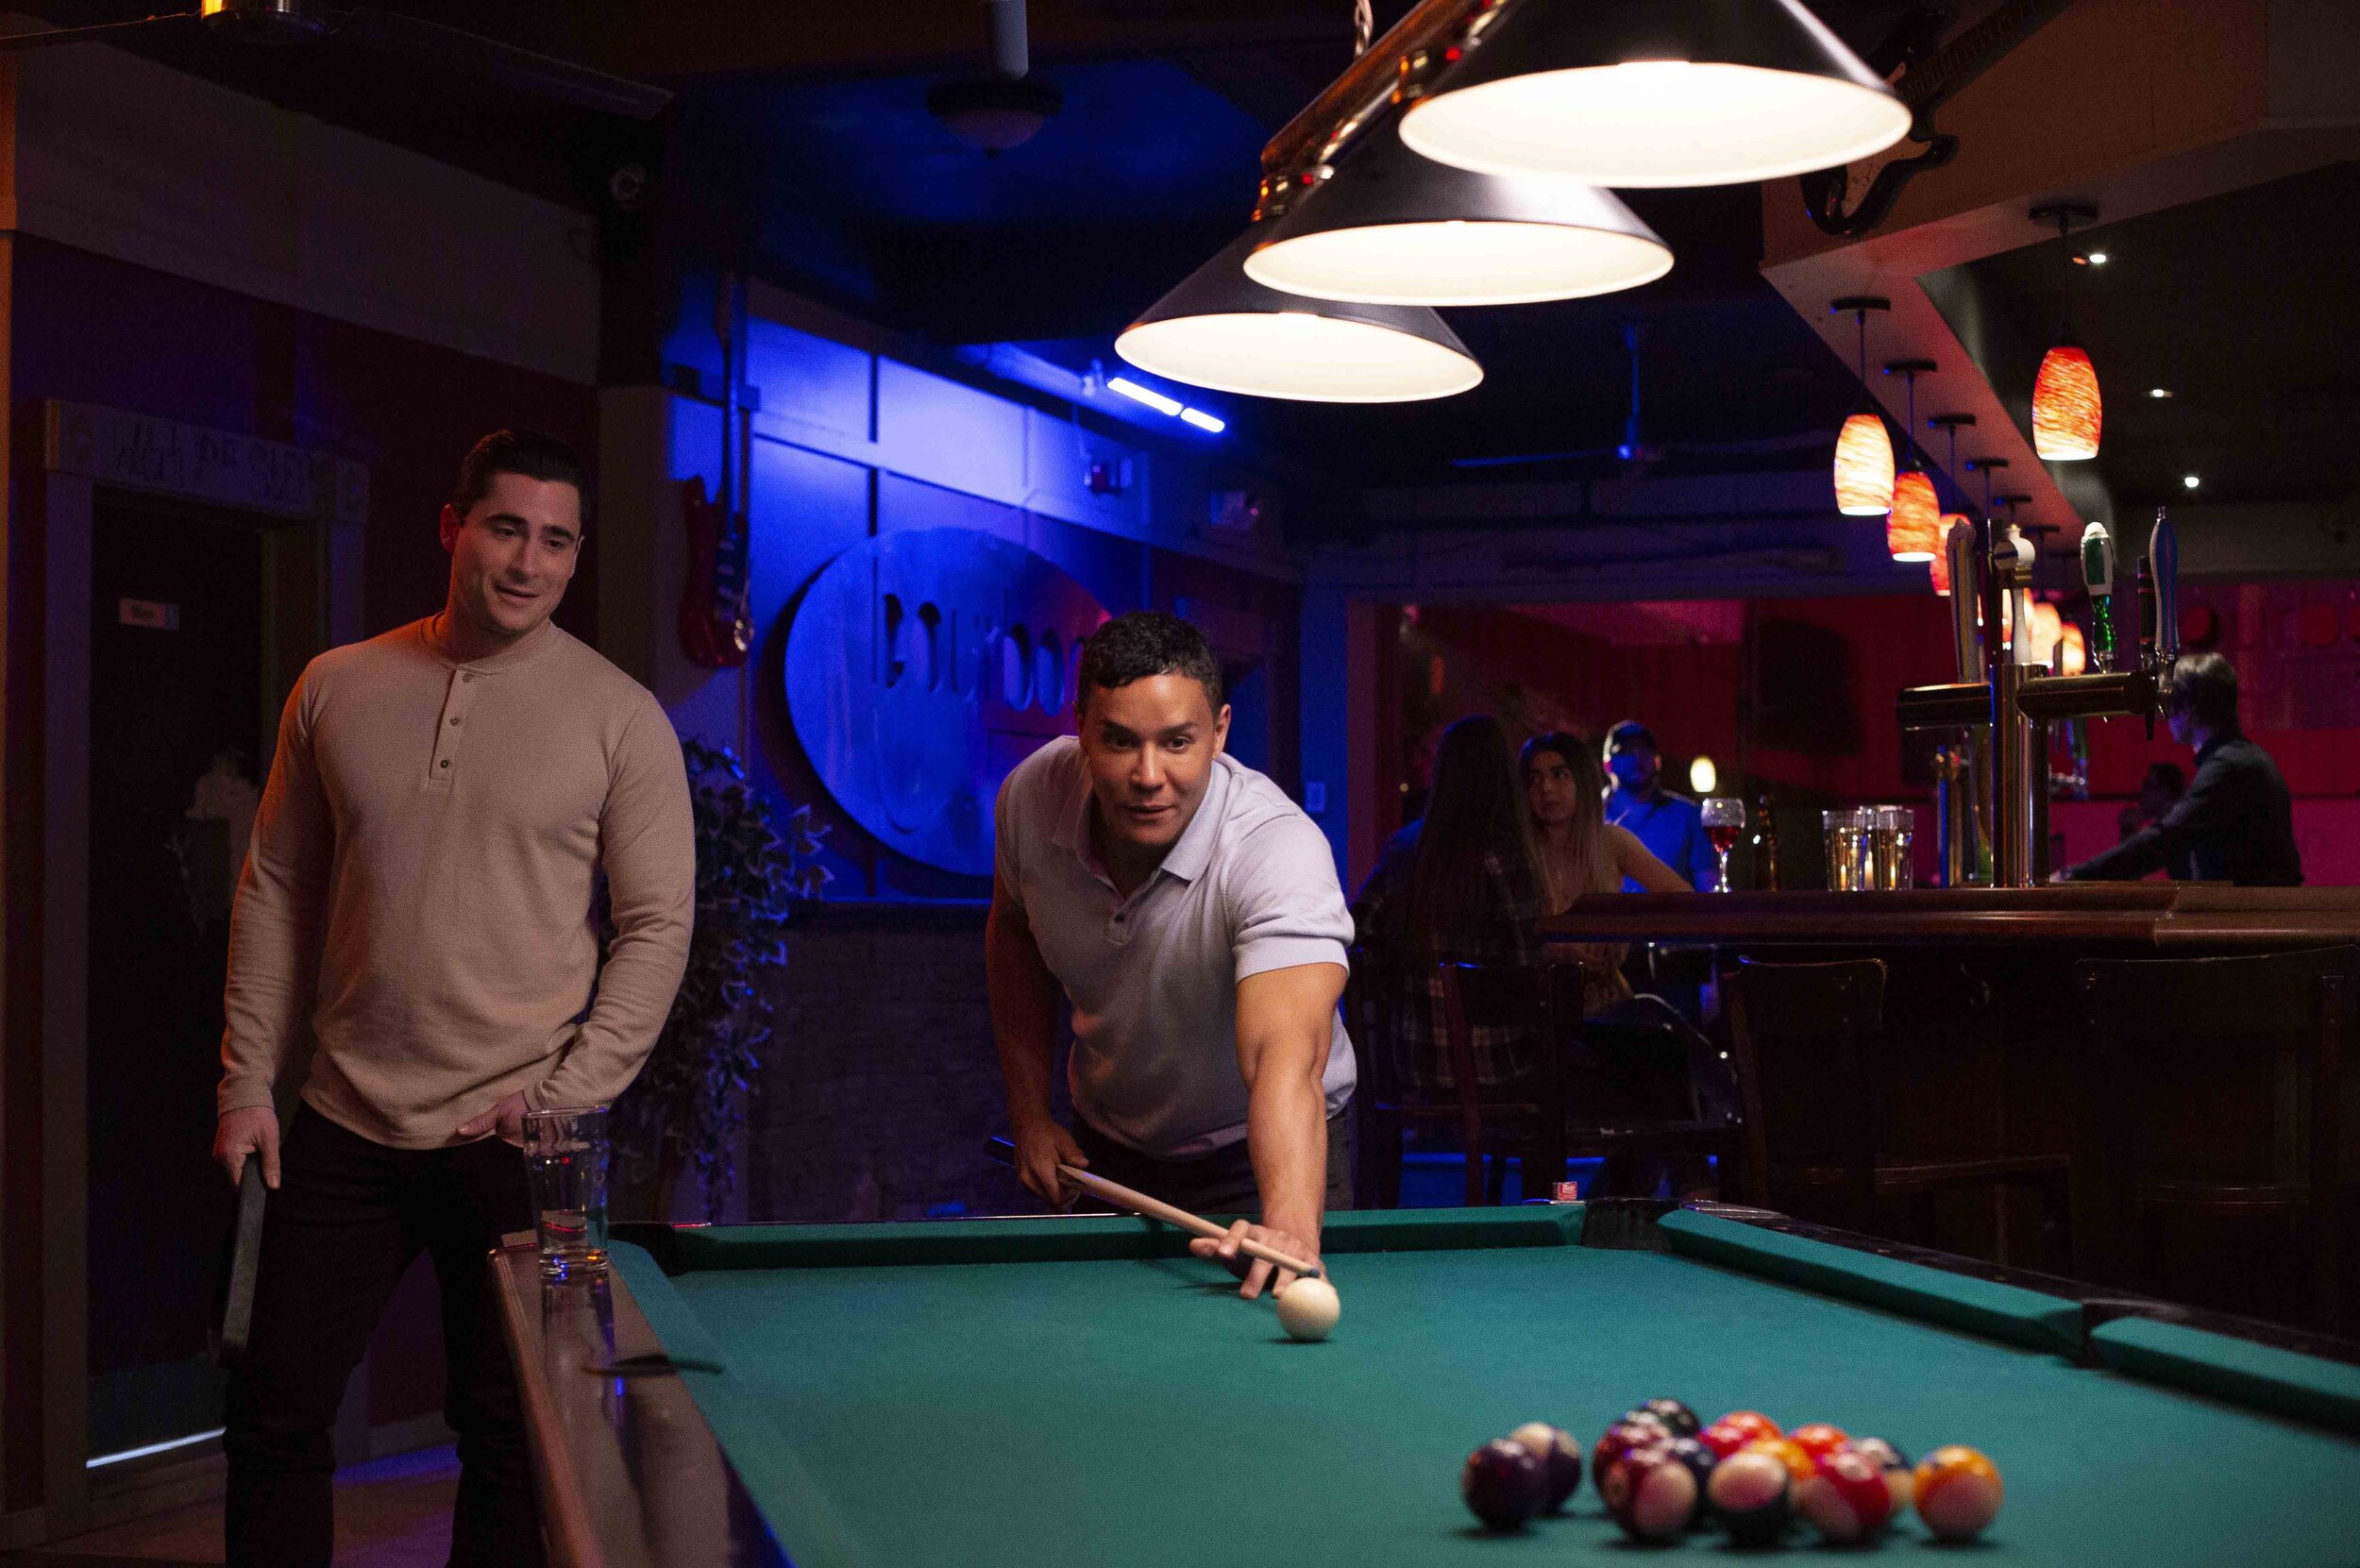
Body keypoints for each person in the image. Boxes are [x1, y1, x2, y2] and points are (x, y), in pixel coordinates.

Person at [211, 430, 696, 1567]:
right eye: (505, 527)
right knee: (274, 1415)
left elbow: (656, 926)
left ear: (576, 557)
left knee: (516, 1437)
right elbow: (275, 889)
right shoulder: (337, 684)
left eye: (556, 539)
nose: (528, 561)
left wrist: (566, 1095)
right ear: (453, 527)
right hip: (339, 1117)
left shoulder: (621, 717)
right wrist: (245, 1081)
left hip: (525, 1136)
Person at [990, 611, 1354, 1303]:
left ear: (1219, 732)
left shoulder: (1276, 848)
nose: (1148, 775)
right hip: (1110, 1149)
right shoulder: (1031, 799)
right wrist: (1029, 1112)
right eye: (1120, 741)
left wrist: (1290, 1227)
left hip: (1262, 1153)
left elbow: (1287, 1057)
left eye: (1178, 742)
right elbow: (1012, 933)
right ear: (1082, 730)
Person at [1523, 732, 1728, 1199]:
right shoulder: (1517, 850)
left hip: (1607, 1006)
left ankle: (1618, 1202)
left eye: (1559, 775)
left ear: (1584, 778)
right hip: (1547, 1015)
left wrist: (1622, 930)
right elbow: (1505, 935)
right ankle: (1723, 1115)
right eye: (1535, 779)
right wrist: (1560, 948)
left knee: (1654, 1048)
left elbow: (1685, 904)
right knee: (1656, 1029)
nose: (1547, 790)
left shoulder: (1609, 840)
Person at [1351, 716, 1547, 1091]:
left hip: (1412, 1060)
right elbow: (1529, 966)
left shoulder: (1406, 849)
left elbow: (1358, 930)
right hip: (1493, 1065)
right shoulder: (1501, 855)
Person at [2062, 651, 2301, 885]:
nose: (2165, 713)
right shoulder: (2242, 760)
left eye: (2171, 701)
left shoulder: (2230, 766)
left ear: (2190, 707)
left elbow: (2168, 838)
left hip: (2253, 920)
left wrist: (2074, 876)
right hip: (2258, 915)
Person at [1602, 719, 1714, 891]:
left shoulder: (1689, 815)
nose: (1637, 757)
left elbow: (1708, 889)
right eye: (1625, 751)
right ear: (1607, 764)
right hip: (1603, 917)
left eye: (1645, 750)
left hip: (1670, 917)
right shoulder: (1588, 815)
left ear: (1657, 761)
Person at [2114, 761, 2192, 880]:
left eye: (2146, 785)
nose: (2142, 792)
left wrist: (2128, 829)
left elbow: (2128, 872)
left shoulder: (2174, 831)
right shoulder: (2178, 823)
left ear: (2165, 791)